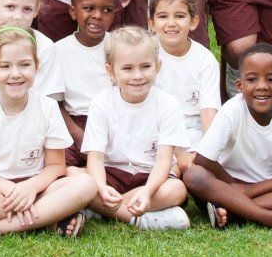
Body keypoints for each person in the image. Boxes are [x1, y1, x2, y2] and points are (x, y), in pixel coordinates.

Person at [0, 26, 99, 242]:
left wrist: (29, 188)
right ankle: (49, 218)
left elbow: (56, 166)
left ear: (36, 66)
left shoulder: (47, 107)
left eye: (25, 64)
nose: (15, 74)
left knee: (85, 183)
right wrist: (12, 190)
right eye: (5, 66)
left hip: (39, 188)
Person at [184, 43, 272, 230]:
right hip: (227, 185)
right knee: (194, 175)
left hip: (270, 188)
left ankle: (234, 212)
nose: (262, 87)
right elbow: (203, 159)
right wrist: (233, 184)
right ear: (239, 85)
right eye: (252, 80)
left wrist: (251, 190)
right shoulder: (232, 110)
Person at [82, 26, 191, 230]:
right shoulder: (101, 103)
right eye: (127, 68)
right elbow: (95, 158)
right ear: (110, 71)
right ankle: (141, 220)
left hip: (149, 177)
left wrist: (148, 191)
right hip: (112, 174)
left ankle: (99, 208)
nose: (138, 75)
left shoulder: (167, 104)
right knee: (76, 177)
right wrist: (101, 188)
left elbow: (164, 160)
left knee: (177, 189)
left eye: (145, 66)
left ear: (157, 67)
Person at [50, 0, 119, 156]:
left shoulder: (120, 47)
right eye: (89, 8)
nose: (98, 16)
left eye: (107, 10)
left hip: (114, 123)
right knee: (55, 162)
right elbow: (53, 102)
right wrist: (77, 134)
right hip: (73, 125)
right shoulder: (58, 51)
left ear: (114, 14)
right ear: (73, 11)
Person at [149, 0, 218, 166]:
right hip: (155, 134)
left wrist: (206, 154)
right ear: (151, 24)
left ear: (194, 22)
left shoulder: (205, 60)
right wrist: (176, 153)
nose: (171, 23)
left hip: (192, 137)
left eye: (179, 16)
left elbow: (208, 111)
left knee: (198, 168)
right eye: (163, 16)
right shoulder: (146, 55)